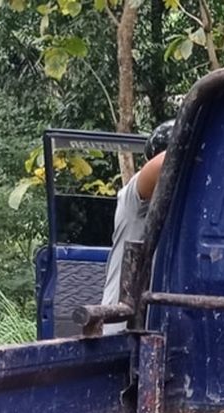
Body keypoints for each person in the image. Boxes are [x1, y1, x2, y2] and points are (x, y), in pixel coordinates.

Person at [100, 120, 174, 332]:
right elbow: (164, 165)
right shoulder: (134, 201)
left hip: (154, 331)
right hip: (120, 331)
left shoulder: (185, 214)